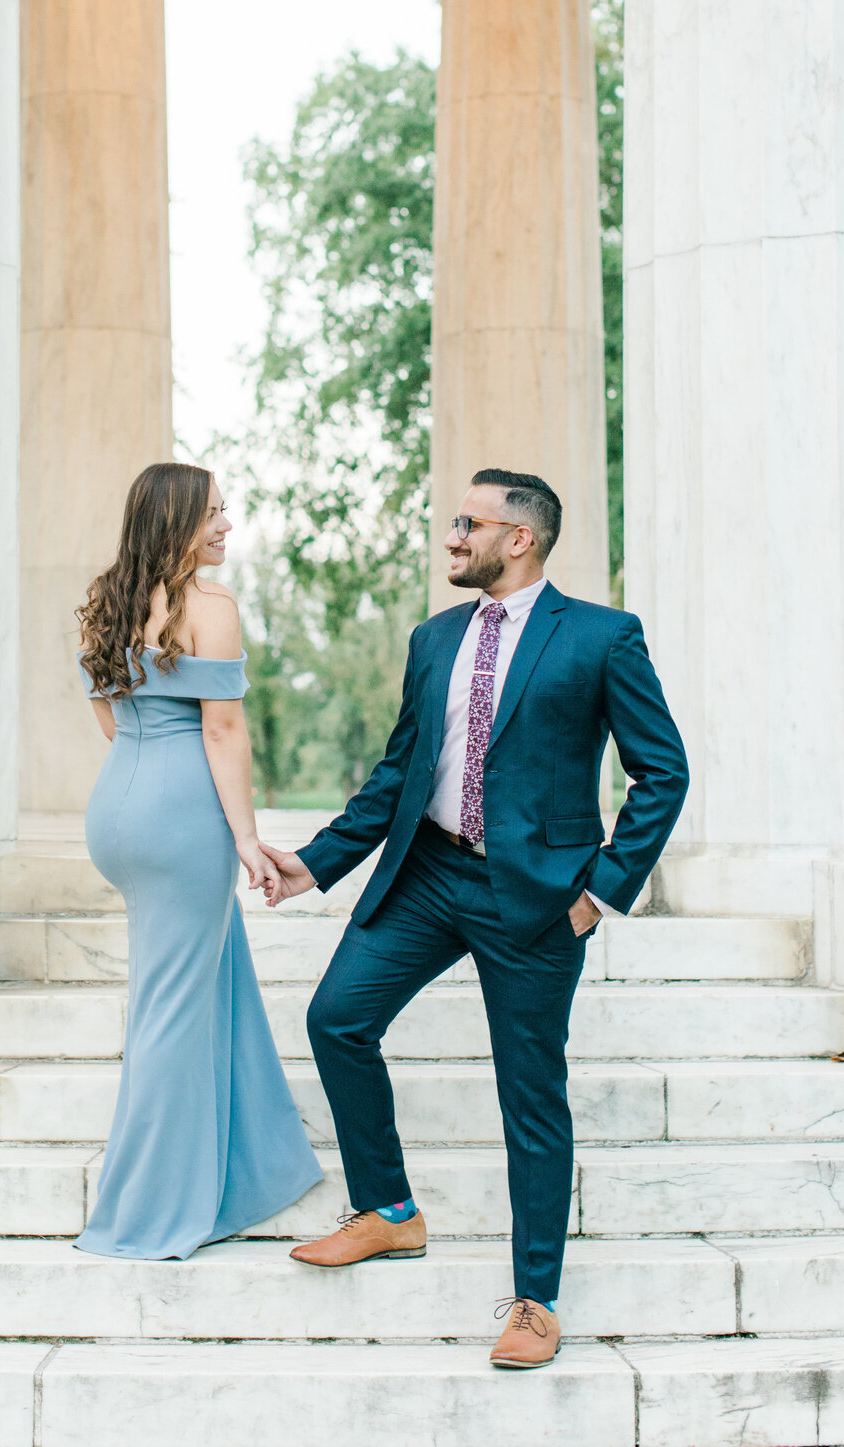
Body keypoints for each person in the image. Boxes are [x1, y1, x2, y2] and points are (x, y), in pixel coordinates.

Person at [259, 468, 688, 1367]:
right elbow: (398, 775)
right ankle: (389, 1211)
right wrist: (316, 863)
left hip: (534, 900)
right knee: (337, 1018)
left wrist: (600, 891)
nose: (452, 537)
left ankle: (536, 1301)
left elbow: (663, 772)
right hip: (427, 876)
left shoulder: (603, 638)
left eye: (468, 522)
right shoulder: (434, 638)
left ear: (519, 537)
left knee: (531, 1094)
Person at [74, 461, 322, 1260]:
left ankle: (249, 1171)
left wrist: (148, 778)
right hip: (182, 821)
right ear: (173, 521)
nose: (225, 526)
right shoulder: (207, 605)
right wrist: (246, 838)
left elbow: (110, 715)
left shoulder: (106, 598)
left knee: (216, 977)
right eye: (211, 514)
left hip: (117, 811)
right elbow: (222, 732)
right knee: (170, 1011)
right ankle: (141, 1214)